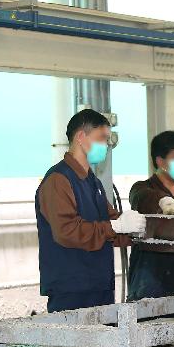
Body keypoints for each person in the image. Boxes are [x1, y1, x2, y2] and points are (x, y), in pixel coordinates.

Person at [36, 109, 146, 313]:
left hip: (98, 285)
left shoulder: (91, 181)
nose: (106, 145)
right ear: (80, 137)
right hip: (71, 290)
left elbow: (110, 222)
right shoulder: (58, 180)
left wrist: (137, 230)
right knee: (75, 344)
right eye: (102, 138)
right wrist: (116, 226)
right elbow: (67, 231)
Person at [127, 131, 174, 300]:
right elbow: (142, 199)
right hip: (149, 287)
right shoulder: (142, 189)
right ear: (160, 161)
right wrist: (165, 202)